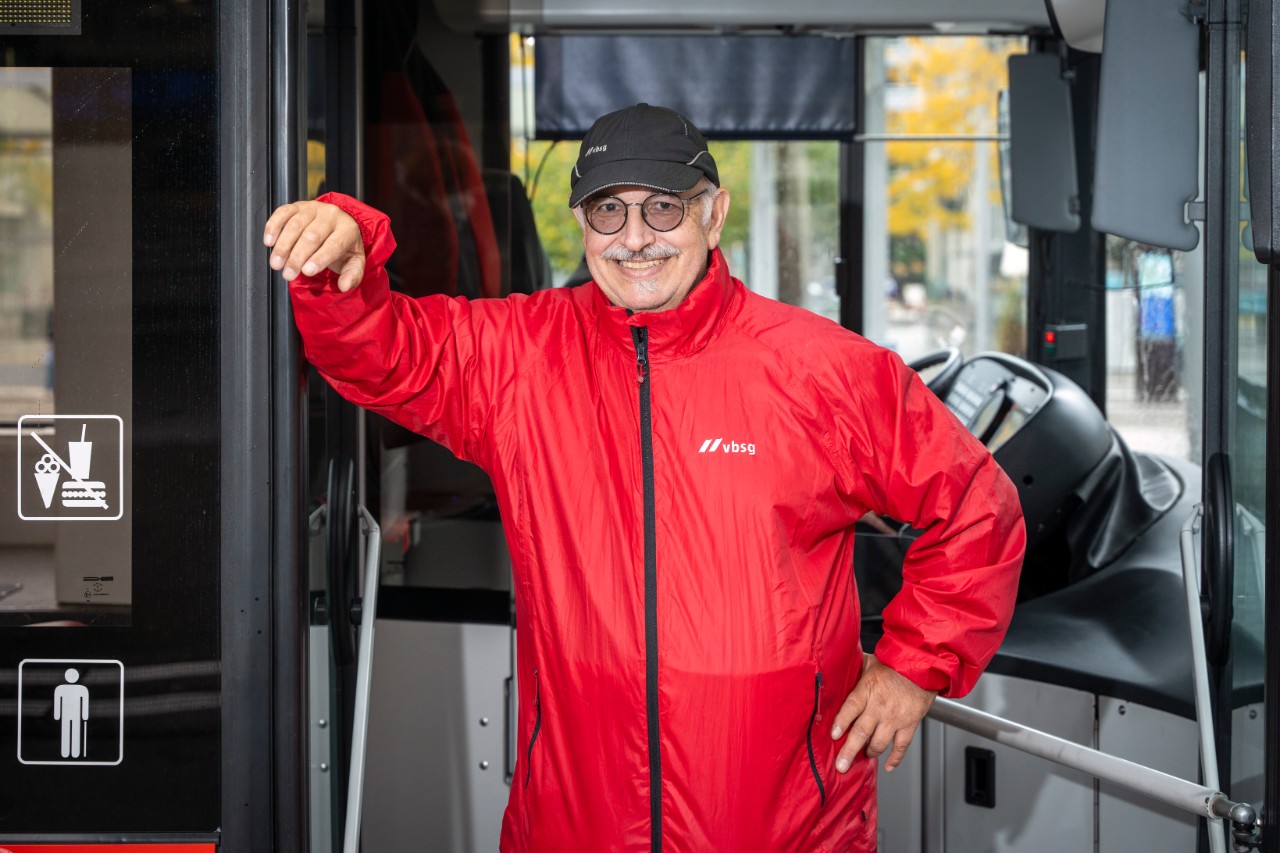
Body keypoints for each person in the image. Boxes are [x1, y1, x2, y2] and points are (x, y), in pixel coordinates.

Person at [265, 103, 1025, 852]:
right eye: (608, 212)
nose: (635, 238)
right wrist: (342, 254)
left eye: (664, 208)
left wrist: (912, 666)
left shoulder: (824, 371)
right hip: (574, 822)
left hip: (781, 826)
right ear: (582, 225)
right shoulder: (520, 360)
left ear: (714, 214)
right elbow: (380, 352)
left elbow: (976, 507)